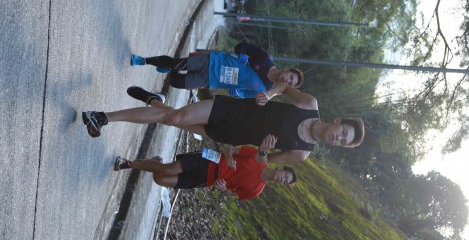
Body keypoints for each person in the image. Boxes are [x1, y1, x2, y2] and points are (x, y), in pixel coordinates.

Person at [81, 85, 365, 164]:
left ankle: (154, 101)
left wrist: (263, 151)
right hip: (234, 109)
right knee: (176, 118)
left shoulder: (301, 152)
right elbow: (284, 86)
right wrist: (271, 94)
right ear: (338, 121)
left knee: (172, 119)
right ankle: (103, 118)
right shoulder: (309, 104)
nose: (338, 138)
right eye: (343, 133)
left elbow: (262, 162)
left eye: (342, 141)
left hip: (232, 133)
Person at [114, 139, 297, 201]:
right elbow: (230, 148)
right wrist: (230, 158)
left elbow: (231, 194)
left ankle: (153, 163)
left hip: (206, 180)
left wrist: (223, 189)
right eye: (285, 176)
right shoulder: (258, 157)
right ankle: (128, 163)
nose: (282, 179)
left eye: (285, 182)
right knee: (168, 169)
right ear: (281, 168)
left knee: (160, 179)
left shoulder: (256, 190)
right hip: (211, 159)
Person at [129, 42, 304, 98]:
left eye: (290, 83)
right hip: (213, 62)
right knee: (177, 64)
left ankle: (168, 67)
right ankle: (143, 60)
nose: (287, 80)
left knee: (176, 82)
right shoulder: (264, 59)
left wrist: (236, 93)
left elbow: (244, 95)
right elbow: (242, 46)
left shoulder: (265, 91)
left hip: (213, 80)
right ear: (287, 70)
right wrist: (242, 53)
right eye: (290, 76)